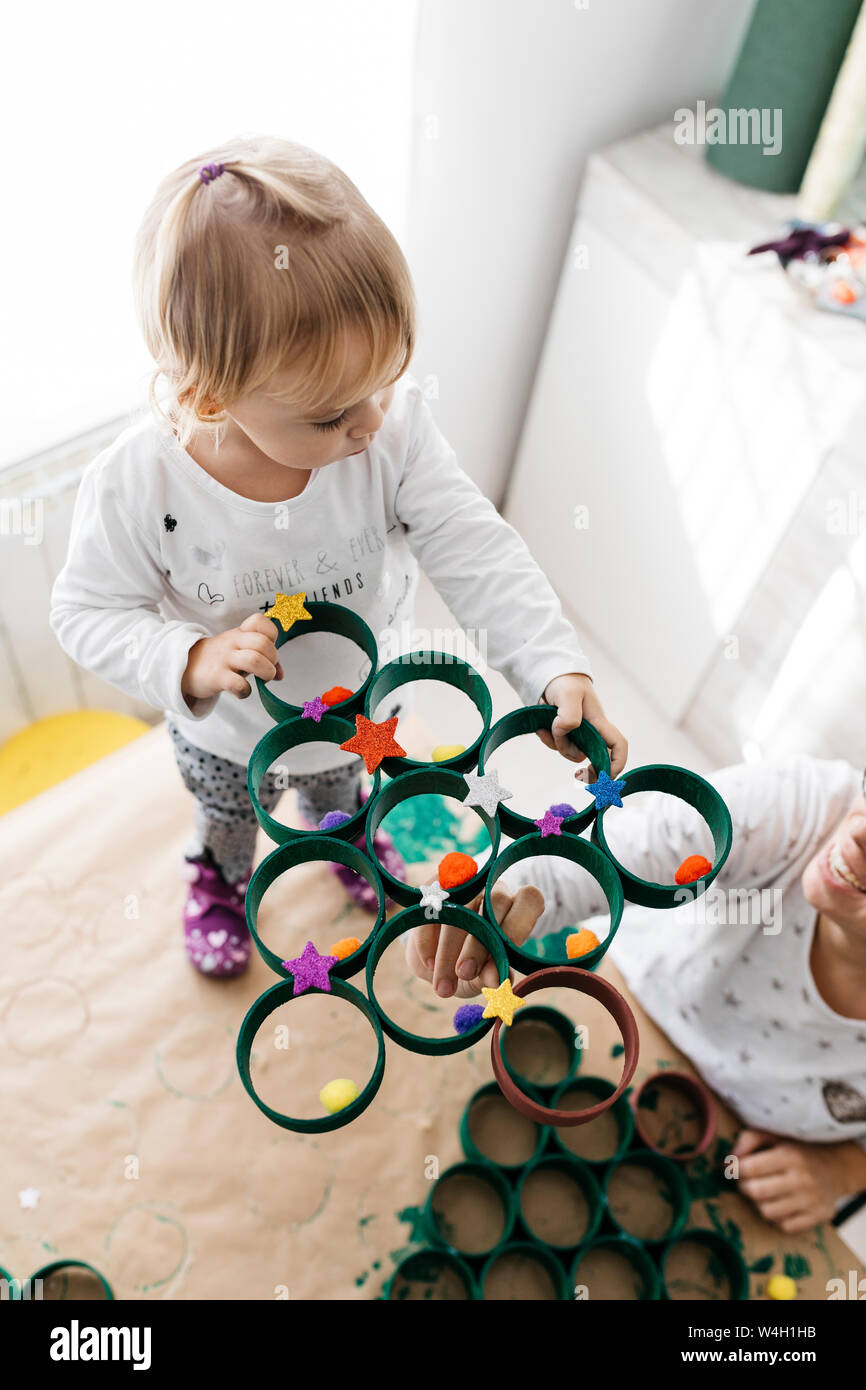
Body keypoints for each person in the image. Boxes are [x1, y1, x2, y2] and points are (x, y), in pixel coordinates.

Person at [49, 135, 626, 980]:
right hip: (231, 741)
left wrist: (553, 669)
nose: (367, 425)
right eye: (329, 415)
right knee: (231, 823)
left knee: (340, 800)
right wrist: (191, 657)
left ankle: (346, 841)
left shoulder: (390, 434)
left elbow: (477, 549)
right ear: (211, 397)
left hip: (361, 719)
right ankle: (217, 877)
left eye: (384, 382)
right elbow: (84, 613)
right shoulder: (140, 485)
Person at [406, 754, 866, 1232]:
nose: (859, 834)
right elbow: (579, 864)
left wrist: (844, 1169)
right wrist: (485, 896)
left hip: (734, 1169)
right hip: (624, 1007)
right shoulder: (796, 810)